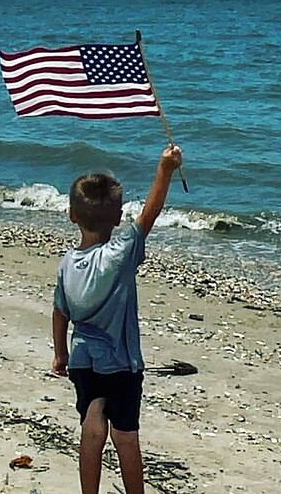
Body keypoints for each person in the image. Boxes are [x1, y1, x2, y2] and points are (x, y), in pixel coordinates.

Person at [52, 144, 183, 494]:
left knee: (92, 428)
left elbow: (59, 310)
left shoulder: (67, 264)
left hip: (83, 361)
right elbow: (149, 215)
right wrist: (164, 170)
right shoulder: (119, 254)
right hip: (122, 364)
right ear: (117, 217)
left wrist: (60, 353)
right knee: (125, 436)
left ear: (72, 215)